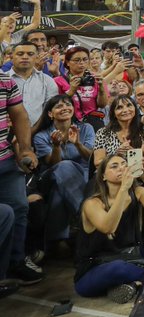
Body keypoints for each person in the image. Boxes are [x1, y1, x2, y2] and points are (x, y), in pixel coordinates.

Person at [75, 153, 144, 302]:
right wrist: (123, 189)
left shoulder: (137, 192)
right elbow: (108, 227)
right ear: (103, 176)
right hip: (96, 268)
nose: (122, 168)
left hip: (132, 256)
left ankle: (131, 284)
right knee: (118, 268)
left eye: (124, 164)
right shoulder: (92, 204)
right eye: (114, 166)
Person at [32, 94, 96, 243]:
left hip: (83, 174)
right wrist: (56, 146)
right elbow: (53, 164)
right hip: (51, 175)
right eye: (59, 106)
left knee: (59, 193)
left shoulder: (86, 128)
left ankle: (56, 242)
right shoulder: (41, 136)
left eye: (68, 104)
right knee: (64, 166)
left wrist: (78, 144)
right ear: (50, 113)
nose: (65, 108)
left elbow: (91, 159)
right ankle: (88, 216)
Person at [0, 70, 36, 285]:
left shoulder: (4, 80)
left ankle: (14, 263)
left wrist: (24, 149)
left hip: (5, 158)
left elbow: (19, 114)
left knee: (18, 208)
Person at [92, 94, 144, 169]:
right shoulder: (103, 132)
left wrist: (132, 153)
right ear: (113, 113)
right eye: (119, 107)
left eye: (129, 105)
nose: (125, 110)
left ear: (135, 109)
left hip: (136, 172)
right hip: (111, 175)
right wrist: (116, 155)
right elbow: (98, 163)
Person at [8, 41, 57, 124]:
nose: (25, 57)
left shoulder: (48, 81)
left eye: (30, 54)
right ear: (11, 56)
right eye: (20, 54)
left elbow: (50, 111)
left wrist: (35, 131)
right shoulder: (3, 80)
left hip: (39, 133)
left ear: (37, 56)